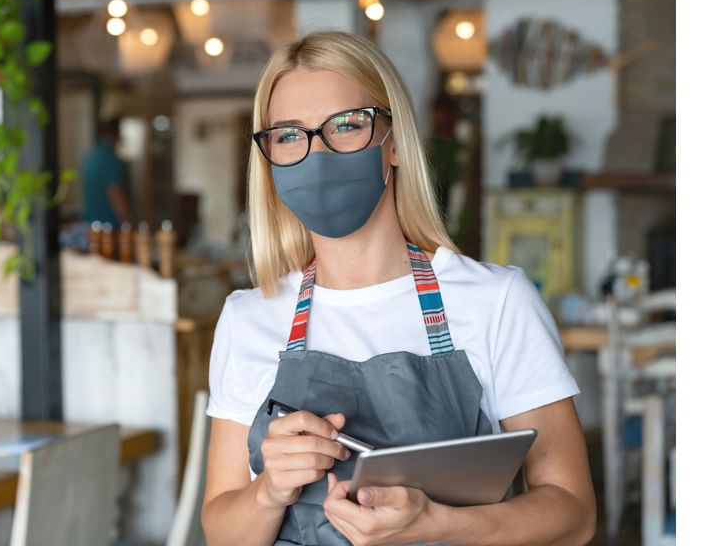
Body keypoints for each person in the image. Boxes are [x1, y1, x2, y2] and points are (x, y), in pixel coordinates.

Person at [201, 31, 596, 546]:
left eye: (346, 125)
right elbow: (220, 532)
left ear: (395, 144)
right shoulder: (248, 317)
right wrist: (269, 491)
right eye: (289, 134)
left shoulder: (496, 302)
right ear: (269, 158)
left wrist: (440, 523)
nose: (316, 153)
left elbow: (574, 516)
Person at [82, 117, 132, 226]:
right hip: (108, 227)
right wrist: (127, 222)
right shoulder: (110, 159)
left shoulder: (92, 155)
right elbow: (115, 193)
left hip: (91, 224)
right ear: (117, 134)